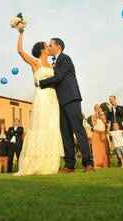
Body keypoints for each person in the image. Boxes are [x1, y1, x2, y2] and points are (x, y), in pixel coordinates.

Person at [37, 38, 94, 173]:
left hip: (71, 99)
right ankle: (69, 165)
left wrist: (41, 83)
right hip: (60, 102)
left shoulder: (65, 59)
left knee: (78, 131)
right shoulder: (55, 63)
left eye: (50, 45)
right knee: (65, 134)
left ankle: (88, 163)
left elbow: (59, 77)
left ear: (58, 46)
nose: (49, 47)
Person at [13, 28, 63, 176]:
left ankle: (51, 163)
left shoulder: (53, 66)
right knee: (41, 126)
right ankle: (37, 163)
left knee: (52, 126)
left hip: (53, 98)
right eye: (46, 45)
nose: (49, 46)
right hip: (41, 98)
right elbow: (20, 51)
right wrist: (21, 33)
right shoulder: (35, 63)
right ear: (42, 49)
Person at [91, 104, 110, 169]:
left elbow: (105, 123)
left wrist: (102, 117)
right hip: (96, 133)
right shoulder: (93, 116)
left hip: (102, 133)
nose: (97, 109)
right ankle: (97, 164)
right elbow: (93, 124)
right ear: (94, 109)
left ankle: (105, 164)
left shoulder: (103, 115)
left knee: (103, 149)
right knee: (96, 150)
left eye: (98, 108)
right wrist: (96, 116)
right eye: (96, 108)